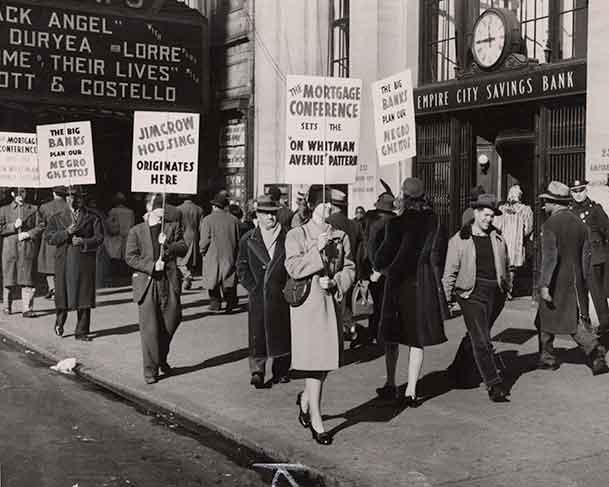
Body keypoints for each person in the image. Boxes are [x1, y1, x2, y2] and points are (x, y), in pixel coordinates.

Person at [285, 184, 355, 445]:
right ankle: (317, 420)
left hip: (330, 304)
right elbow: (292, 267)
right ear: (313, 205)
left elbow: (350, 268)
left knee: (324, 364)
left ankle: (304, 402)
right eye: (325, 203)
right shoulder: (296, 234)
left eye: (333, 205)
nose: (330, 209)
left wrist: (337, 281)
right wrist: (317, 250)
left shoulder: (341, 235)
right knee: (315, 364)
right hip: (307, 307)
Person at [372, 178, 448, 404]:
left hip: (398, 283)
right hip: (422, 283)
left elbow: (383, 256)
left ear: (403, 195)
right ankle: (412, 390)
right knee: (417, 338)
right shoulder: (434, 221)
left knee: (392, 335)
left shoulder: (395, 223)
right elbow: (439, 252)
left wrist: (378, 267)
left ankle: (391, 383)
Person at [443, 193, 512, 402]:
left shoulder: (497, 237)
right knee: (482, 339)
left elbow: (506, 264)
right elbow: (450, 272)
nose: (488, 219)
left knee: (476, 335)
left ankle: (455, 371)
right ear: (475, 213)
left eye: (492, 216)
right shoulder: (459, 239)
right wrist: (445, 299)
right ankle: (494, 384)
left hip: (495, 294)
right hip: (470, 294)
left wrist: (507, 286)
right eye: (485, 214)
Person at [536, 181, 609, 375]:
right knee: (551, 319)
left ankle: (594, 352)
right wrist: (583, 278)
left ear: (554, 202)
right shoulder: (579, 223)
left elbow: (550, 258)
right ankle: (547, 356)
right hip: (575, 279)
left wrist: (544, 285)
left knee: (567, 323)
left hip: (555, 281)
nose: (544, 206)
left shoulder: (549, 224)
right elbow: (586, 255)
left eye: (547, 202)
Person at [125, 193, 188, 384]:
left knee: (172, 319)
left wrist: (167, 245)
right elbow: (130, 257)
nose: (162, 211)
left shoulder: (171, 227)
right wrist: (152, 266)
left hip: (168, 282)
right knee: (150, 328)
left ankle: (160, 358)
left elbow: (184, 247)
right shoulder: (136, 231)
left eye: (164, 207)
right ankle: (150, 370)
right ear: (148, 208)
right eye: (158, 207)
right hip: (147, 283)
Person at [236, 194, 291, 388]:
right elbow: (241, 267)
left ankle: (281, 369)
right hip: (258, 295)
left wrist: (288, 288)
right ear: (257, 215)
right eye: (266, 213)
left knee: (282, 332)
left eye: (273, 213)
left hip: (280, 294)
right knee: (257, 333)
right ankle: (257, 370)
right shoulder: (248, 239)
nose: (271, 217)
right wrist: (253, 287)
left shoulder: (287, 236)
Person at [46, 187, 104, 340]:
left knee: (84, 296)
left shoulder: (92, 217)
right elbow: (50, 238)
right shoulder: (57, 218)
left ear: (82, 199)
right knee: (63, 295)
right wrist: (66, 233)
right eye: (70, 197)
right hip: (64, 261)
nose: (73, 200)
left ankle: (82, 331)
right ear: (66, 199)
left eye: (77, 197)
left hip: (84, 261)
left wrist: (84, 241)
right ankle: (60, 322)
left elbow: (99, 238)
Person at [569, 179, 609, 337]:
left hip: (594, 257)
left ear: (586, 190)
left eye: (581, 190)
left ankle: (605, 326)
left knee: (597, 294)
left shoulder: (595, 209)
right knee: (580, 291)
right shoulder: (569, 210)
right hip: (576, 258)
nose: (578, 194)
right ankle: (586, 324)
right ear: (571, 193)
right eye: (575, 191)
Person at [360, 190, 396, 346]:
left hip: (371, 267)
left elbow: (367, 245)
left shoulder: (369, 219)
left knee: (375, 303)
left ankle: (373, 332)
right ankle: (382, 333)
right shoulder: (392, 222)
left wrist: (370, 269)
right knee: (384, 304)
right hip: (386, 269)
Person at [0, 188, 41, 317]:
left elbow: (40, 226)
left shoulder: (34, 209)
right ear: (12, 194)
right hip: (10, 248)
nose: (21, 195)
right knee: (9, 278)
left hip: (27, 246)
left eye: (23, 192)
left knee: (27, 277)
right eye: (18, 193)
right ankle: (7, 306)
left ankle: (27, 308)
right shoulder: (4, 210)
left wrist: (28, 233)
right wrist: (13, 226)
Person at [199, 190, 240, 312]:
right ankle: (230, 303)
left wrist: (202, 250)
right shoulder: (233, 220)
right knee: (228, 279)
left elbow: (204, 240)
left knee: (213, 279)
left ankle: (215, 304)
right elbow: (238, 239)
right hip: (229, 254)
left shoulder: (207, 220)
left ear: (213, 206)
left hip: (213, 254)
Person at [495, 185, 534, 299]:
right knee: (512, 266)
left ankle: (503, 288)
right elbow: (529, 228)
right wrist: (520, 234)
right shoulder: (526, 210)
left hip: (503, 240)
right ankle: (510, 289)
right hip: (516, 241)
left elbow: (496, 225)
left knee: (502, 264)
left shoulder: (501, 209)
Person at [38, 186, 69, 300]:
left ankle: (53, 289)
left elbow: (41, 224)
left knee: (49, 266)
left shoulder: (44, 207)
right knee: (64, 265)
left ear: (53, 193)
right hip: (65, 238)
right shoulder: (69, 206)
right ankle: (63, 290)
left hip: (50, 240)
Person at [104, 192, 136, 283]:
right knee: (126, 255)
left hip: (116, 236)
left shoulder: (113, 211)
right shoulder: (130, 212)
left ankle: (116, 274)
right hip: (128, 236)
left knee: (115, 256)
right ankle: (125, 273)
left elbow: (109, 223)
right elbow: (132, 225)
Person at [176, 194, 204, 290]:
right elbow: (201, 227)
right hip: (195, 236)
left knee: (180, 260)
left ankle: (187, 275)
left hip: (183, 236)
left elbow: (177, 225)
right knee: (191, 260)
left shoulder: (178, 209)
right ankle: (187, 282)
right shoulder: (199, 209)